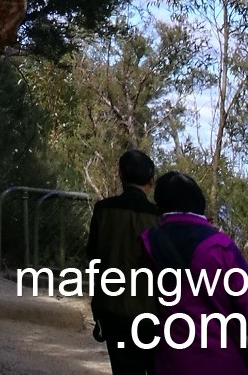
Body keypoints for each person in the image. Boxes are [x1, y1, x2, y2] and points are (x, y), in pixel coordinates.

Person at [141, 170, 248, 373]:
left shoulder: (147, 244)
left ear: (160, 205)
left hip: (169, 362)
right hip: (222, 363)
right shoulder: (220, 248)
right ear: (199, 204)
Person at [86, 149, 163, 375]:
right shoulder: (159, 218)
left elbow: (94, 259)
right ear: (151, 180)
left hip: (113, 312)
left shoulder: (103, 210)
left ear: (120, 175)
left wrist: (97, 308)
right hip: (151, 315)